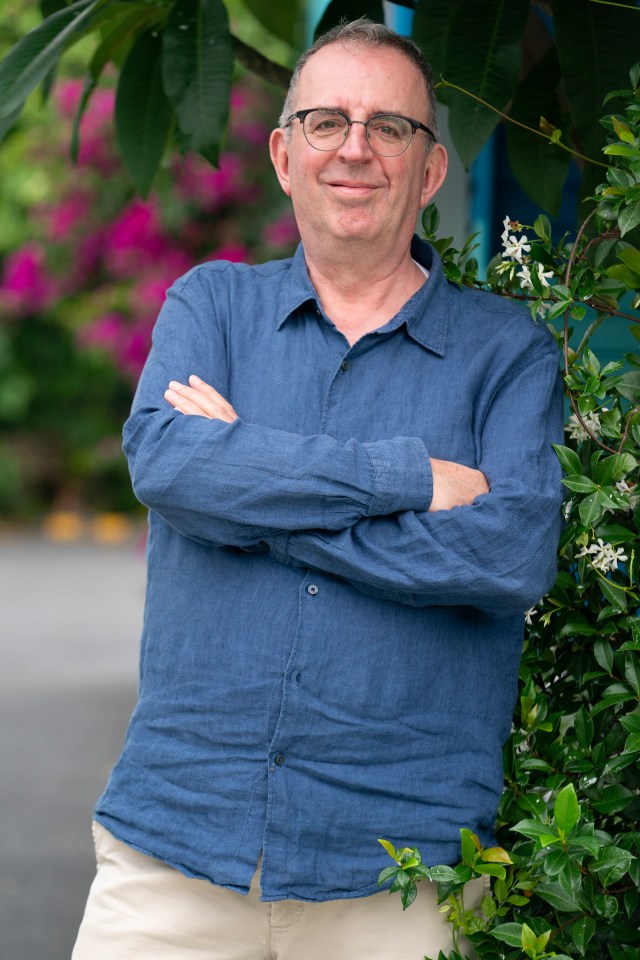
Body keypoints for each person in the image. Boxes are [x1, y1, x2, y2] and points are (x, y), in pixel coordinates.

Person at [72, 19, 564, 960]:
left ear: (429, 171)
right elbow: (169, 465)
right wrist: (406, 479)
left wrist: (248, 497)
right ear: (283, 153)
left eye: (390, 128)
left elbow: (509, 554)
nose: (355, 148)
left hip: (399, 878)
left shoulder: (507, 355)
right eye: (328, 120)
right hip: (174, 851)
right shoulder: (209, 306)